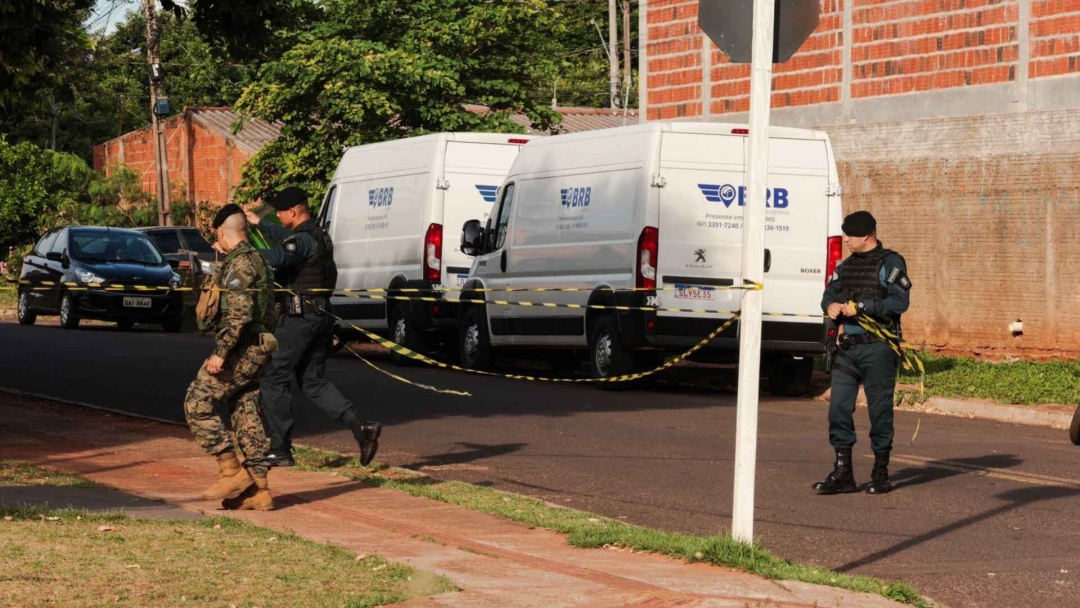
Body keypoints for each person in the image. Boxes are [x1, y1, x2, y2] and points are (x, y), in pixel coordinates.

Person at [245, 187, 381, 468]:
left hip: (299, 320)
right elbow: (285, 238)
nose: (278, 217)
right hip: (319, 317)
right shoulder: (315, 234)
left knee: (274, 379)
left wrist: (241, 249)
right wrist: (259, 223)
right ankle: (361, 427)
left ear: (292, 212)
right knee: (312, 381)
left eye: (280, 213)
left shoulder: (302, 241)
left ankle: (280, 449)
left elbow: (281, 257)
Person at [183, 204, 279, 511]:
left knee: (197, 403)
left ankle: (231, 471)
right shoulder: (256, 258)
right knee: (246, 413)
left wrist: (221, 354)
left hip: (241, 349)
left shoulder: (239, 265)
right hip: (260, 348)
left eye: (218, 236)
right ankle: (260, 491)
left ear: (223, 232)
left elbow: (240, 314)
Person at [814, 210, 911, 496]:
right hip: (848, 350)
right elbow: (830, 293)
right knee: (838, 408)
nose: (845, 239)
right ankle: (843, 472)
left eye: (849, 235)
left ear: (866, 235)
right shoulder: (846, 266)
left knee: (880, 411)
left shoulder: (891, 263)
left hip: (878, 348)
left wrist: (863, 307)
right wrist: (830, 307)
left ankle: (880, 472)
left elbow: (899, 301)